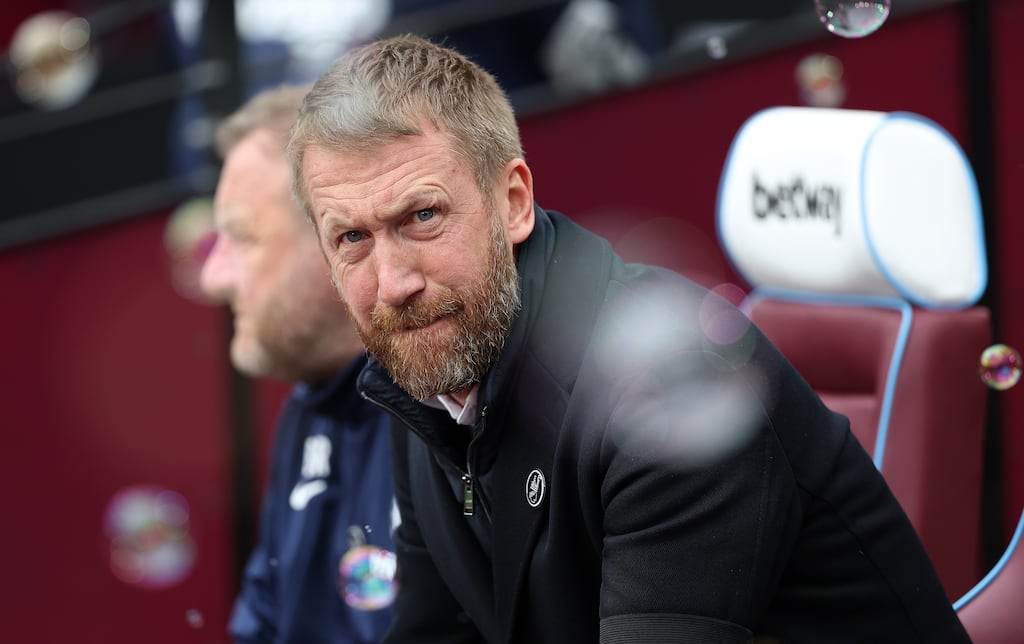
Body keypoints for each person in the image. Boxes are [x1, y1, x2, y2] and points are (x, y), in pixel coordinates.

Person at [287, 35, 971, 643]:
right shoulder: (427, 368)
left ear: (514, 203)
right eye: (352, 237)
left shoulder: (672, 379)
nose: (393, 282)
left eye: (423, 215)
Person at [200, 84, 396, 644]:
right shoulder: (310, 410)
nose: (214, 277)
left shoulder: (461, 412)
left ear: (335, 239)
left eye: (239, 237)